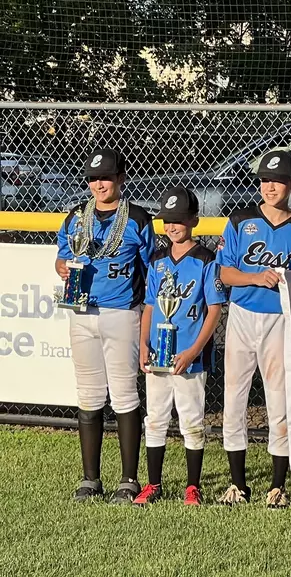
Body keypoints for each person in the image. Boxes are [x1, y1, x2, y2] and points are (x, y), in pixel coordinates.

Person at [216, 150, 291, 509]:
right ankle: (237, 484)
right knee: (234, 398)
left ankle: (277, 485)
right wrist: (256, 276)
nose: (270, 186)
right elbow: (225, 272)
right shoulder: (241, 220)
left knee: (279, 400)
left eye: (278, 180)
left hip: (280, 319)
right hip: (242, 314)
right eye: (265, 180)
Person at [56, 149, 155, 504]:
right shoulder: (75, 218)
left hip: (122, 312)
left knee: (125, 394)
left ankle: (129, 479)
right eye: (95, 178)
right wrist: (62, 268)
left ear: (121, 178)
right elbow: (60, 257)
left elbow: (151, 270)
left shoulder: (138, 219)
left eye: (107, 177)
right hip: (82, 312)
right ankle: (90, 479)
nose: (100, 183)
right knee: (88, 393)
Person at [134, 187, 226, 507]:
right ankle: (153, 484)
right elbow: (148, 306)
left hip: (190, 356)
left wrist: (193, 350)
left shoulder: (205, 259)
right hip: (159, 354)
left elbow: (214, 309)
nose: (172, 226)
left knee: (191, 420)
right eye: (167, 221)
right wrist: (143, 344)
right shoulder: (158, 260)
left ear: (194, 221)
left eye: (179, 220)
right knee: (156, 418)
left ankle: (192, 486)